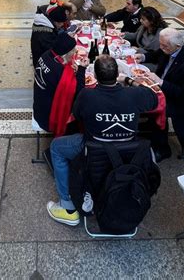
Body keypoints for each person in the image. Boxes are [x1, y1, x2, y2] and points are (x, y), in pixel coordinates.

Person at [47, 55, 158, 226]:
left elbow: (77, 115)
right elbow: (153, 97)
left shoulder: (87, 95)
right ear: (117, 74)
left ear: (96, 77)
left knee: (56, 147)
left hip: (93, 149)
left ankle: (67, 206)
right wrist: (129, 81)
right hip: (129, 150)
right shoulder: (135, 95)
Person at [136, 28, 184, 162]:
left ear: (178, 46)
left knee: (157, 107)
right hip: (168, 89)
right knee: (143, 96)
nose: (161, 48)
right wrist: (143, 57)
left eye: (164, 46)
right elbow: (158, 53)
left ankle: (162, 148)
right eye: (161, 44)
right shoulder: (170, 48)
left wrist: (161, 82)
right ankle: (151, 126)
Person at [33, 33, 84, 134]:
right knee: (82, 113)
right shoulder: (59, 73)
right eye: (73, 50)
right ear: (65, 54)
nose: (75, 52)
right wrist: (82, 69)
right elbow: (79, 92)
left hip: (39, 108)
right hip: (49, 119)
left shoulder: (46, 55)